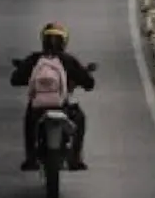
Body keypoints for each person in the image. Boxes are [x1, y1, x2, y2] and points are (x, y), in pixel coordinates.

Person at [10, 23, 95, 172]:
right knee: (79, 119)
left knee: (29, 121)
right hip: (63, 106)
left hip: (38, 108)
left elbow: (15, 80)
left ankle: (30, 159)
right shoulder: (68, 60)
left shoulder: (35, 59)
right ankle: (75, 159)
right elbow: (89, 84)